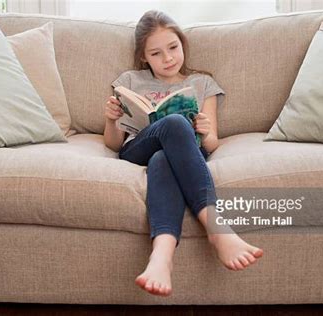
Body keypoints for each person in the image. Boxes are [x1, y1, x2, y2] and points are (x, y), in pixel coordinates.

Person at [103, 10, 263, 297]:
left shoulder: (202, 83)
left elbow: (211, 143)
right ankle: (216, 228)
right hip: (139, 146)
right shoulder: (129, 80)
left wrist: (203, 130)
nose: (168, 58)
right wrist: (111, 120)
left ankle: (161, 257)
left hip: (182, 152)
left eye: (173, 48)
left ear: (182, 44)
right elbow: (114, 144)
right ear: (144, 57)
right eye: (156, 53)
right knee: (173, 125)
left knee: (163, 158)